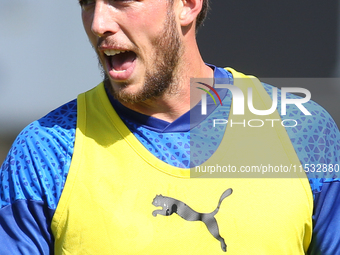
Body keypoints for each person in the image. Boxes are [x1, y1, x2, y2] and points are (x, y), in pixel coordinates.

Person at [1, 0, 340, 254]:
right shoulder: (46, 150)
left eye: (122, 0)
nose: (98, 22)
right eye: (88, 2)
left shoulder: (301, 130)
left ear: (187, 5)